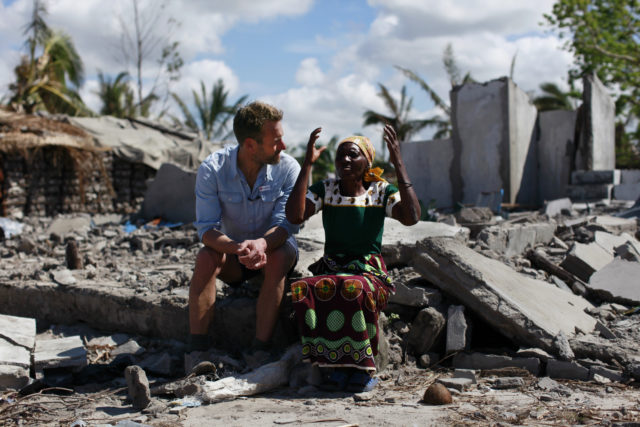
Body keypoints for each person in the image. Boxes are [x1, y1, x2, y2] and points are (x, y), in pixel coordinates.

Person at [285, 124, 420, 392]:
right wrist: (307, 166)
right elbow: (294, 215)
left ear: (367, 161)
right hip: (333, 267)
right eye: (340, 155)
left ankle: (361, 368)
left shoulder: (380, 192)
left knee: (353, 287)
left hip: (368, 271)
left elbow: (412, 217)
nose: (345, 160)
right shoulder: (328, 189)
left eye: (353, 155)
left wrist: (398, 163)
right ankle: (331, 365)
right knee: (306, 288)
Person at [188, 101, 300, 368]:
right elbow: (207, 230)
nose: (283, 146)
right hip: (234, 254)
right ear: (251, 145)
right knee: (205, 258)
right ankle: (196, 353)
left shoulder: (288, 169)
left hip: (274, 247)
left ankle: (259, 351)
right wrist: (240, 249)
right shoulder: (212, 169)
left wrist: (261, 244)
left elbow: (285, 224)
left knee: (277, 257)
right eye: (276, 141)